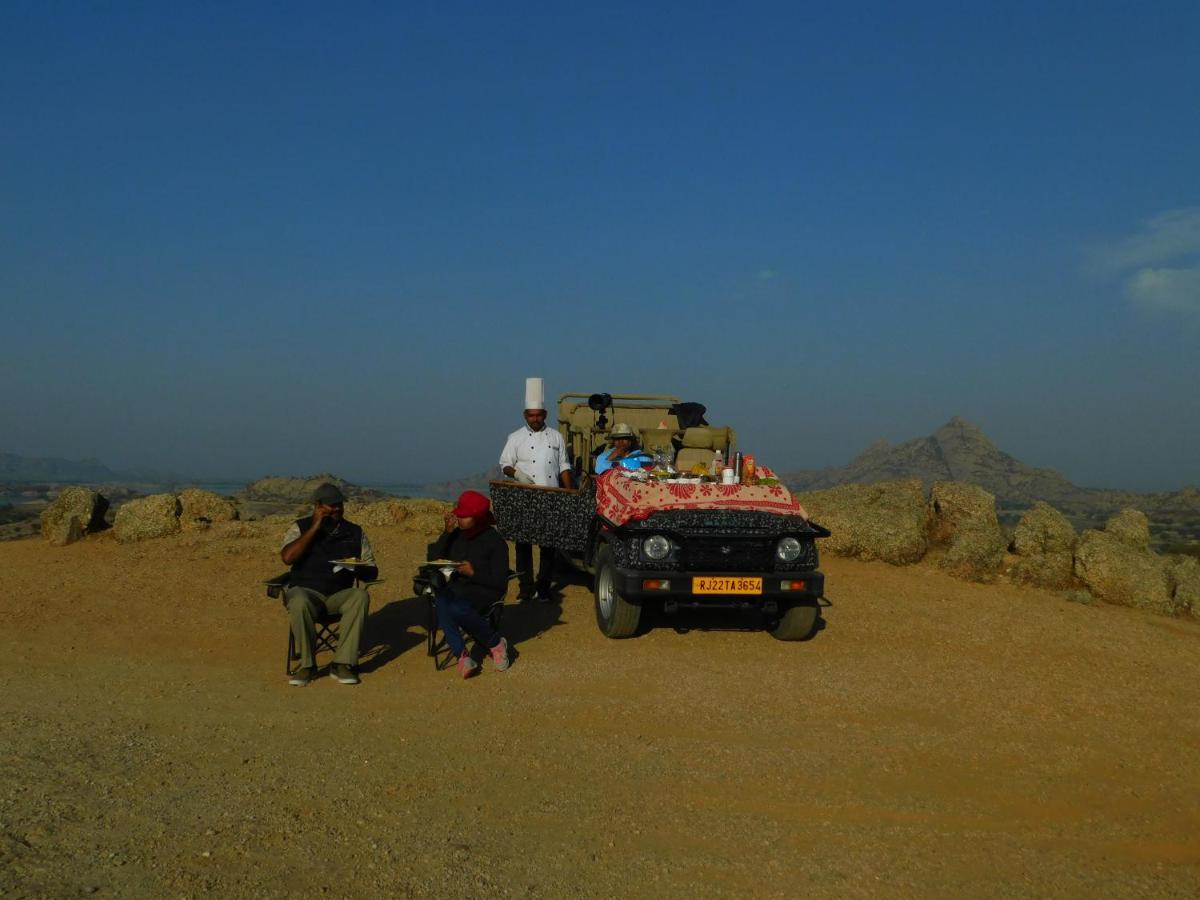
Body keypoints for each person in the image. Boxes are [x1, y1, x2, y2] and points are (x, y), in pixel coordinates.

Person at [280, 483, 377, 687]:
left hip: (338, 595)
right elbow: (288, 557)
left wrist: (355, 568)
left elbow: (372, 571)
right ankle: (307, 665)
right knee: (298, 600)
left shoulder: (354, 532)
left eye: (340, 504)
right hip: (307, 593)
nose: (337, 509)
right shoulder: (300, 527)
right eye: (332, 506)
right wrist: (314, 527)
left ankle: (342, 663)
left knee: (360, 596)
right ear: (318, 506)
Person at [498, 376, 574, 602]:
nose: (535, 419)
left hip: (550, 494)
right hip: (524, 495)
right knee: (523, 545)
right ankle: (525, 587)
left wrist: (568, 493)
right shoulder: (515, 437)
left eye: (538, 415)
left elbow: (564, 466)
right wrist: (517, 474)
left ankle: (543, 587)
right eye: (531, 416)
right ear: (525, 416)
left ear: (545, 415)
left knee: (548, 545)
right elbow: (505, 464)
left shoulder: (556, 437)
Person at [427, 490, 511, 678]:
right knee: (441, 598)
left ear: (478, 517)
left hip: (484, 591)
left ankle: (495, 642)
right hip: (458, 588)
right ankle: (463, 655)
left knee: (453, 607)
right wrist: (446, 534)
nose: (459, 517)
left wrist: (473, 573)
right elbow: (432, 560)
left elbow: (500, 583)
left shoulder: (495, 543)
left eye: (464, 515)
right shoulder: (457, 535)